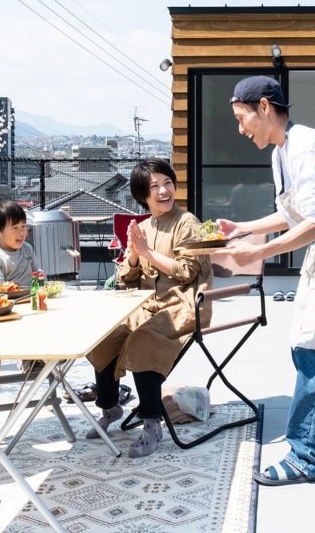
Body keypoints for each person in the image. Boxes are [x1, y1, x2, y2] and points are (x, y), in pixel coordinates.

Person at [216, 76, 315, 486]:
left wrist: (256, 253)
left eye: (242, 118)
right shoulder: (282, 151)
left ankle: (307, 456)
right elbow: (295, 214)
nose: (240, 129)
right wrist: (243, 228)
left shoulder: (307, 147)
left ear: (265, 108)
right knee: (308, 344)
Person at [85, 158, 214, 457]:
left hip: (182, 305)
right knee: (105, 336)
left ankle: (152, 422)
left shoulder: (187, 222)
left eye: (167, 182)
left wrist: (148, 252)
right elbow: (126, 279)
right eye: (154, 186)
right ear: (143, 196)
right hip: (145, 305)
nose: (163, 190)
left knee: (143, 339)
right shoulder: (143, 226)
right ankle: (111, 407)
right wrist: (133, 256)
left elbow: (186, 272)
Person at [0, 199, 38, 290]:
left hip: (30, 298)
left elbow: (38, 275)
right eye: (15, 227)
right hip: (7, 301)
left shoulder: (27, 248)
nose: (22, 232)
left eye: (23, 226)